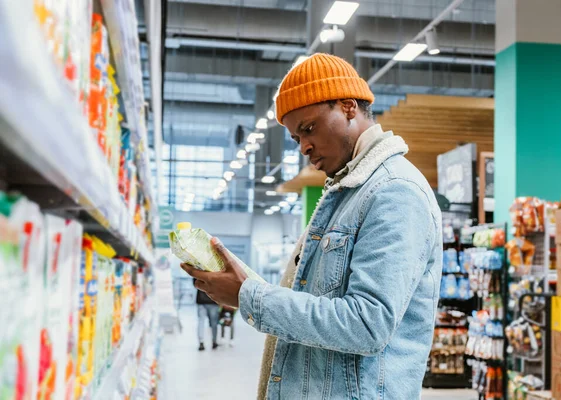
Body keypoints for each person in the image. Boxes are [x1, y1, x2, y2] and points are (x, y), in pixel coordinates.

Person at [182, 53, 442, 399]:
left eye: (308, 128)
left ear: (349, 106)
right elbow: (315, 304)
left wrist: (250, 297)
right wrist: (241, 282)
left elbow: (367, 323)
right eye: (294, 138)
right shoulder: (346, 192)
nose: (304, 146)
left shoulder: (394, 192)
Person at [195, 280, 220, 351]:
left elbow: (195, 283)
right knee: (214, 323)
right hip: (213, 300)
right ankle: (214, 341)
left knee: (201, 321)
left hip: (201, 301)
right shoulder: (217, 270)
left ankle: (201, 342)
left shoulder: (198, 269)